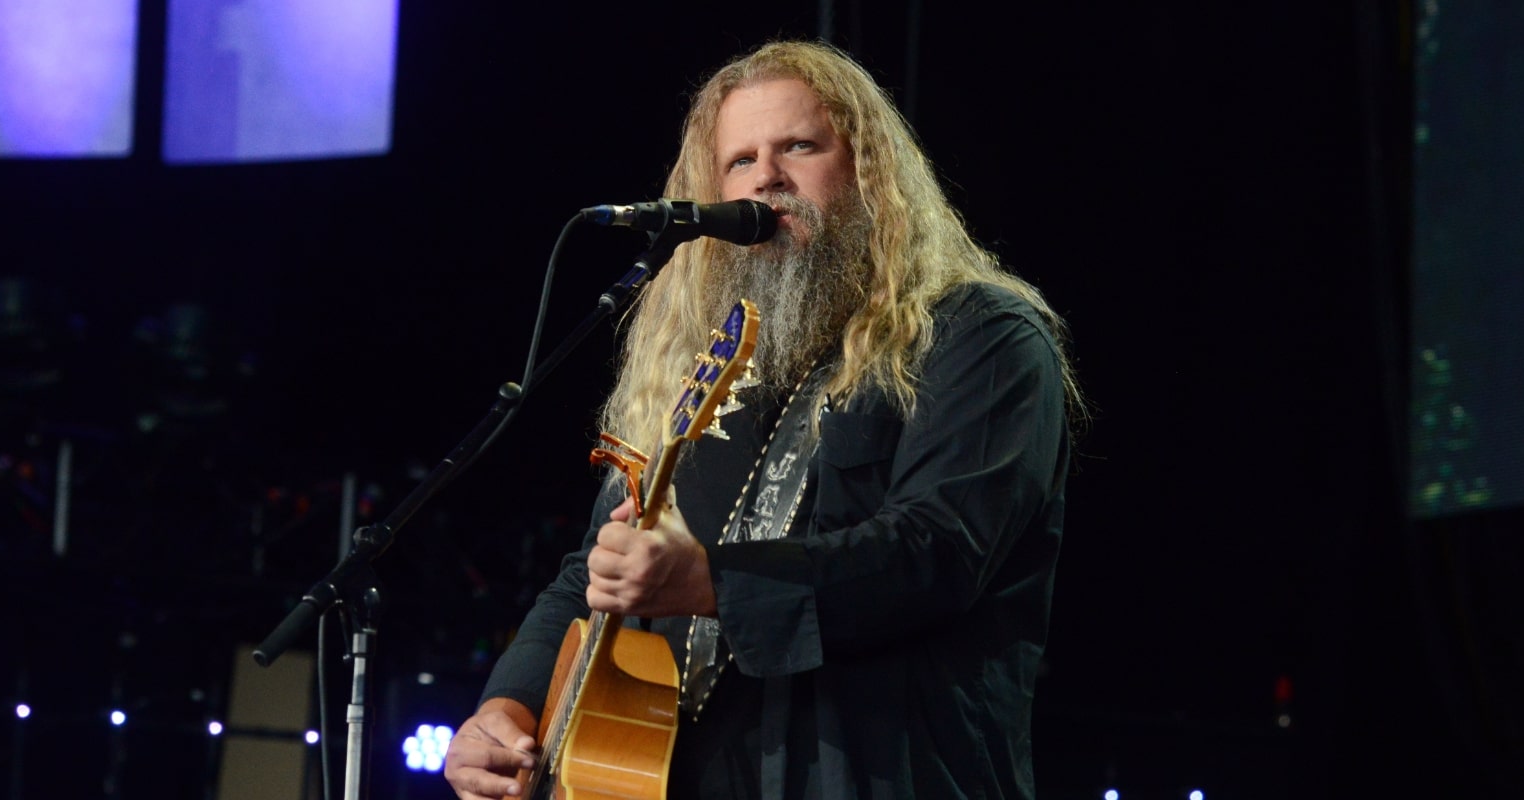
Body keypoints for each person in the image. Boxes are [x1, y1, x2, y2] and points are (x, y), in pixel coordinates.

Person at [444, 39, 1083, 800]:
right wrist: (508, 708)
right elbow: (593, 571)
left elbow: (936, 552)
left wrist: (711, 582)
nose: (766, 177)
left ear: (871, 171)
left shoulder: (981, 337)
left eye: (799, 147)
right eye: (740, 160)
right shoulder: (697, 367)